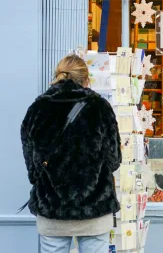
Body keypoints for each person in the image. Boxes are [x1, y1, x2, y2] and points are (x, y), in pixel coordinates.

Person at [20, 54, 122, 253]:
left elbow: (32, 167)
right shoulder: (100, 107)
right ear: (86, 79)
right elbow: (114, 160)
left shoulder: (37, 109)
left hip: (52, 209)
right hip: (95, 208)